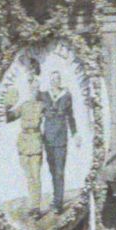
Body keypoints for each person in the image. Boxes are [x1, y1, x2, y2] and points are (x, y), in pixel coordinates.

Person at [4, 68, 48, 213]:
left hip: (35, 140)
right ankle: (33, 205)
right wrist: (8, 105)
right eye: (31, 88)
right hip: (24, 142)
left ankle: (36, 206)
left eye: (36, 88)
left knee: (36, 175)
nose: (33, 90)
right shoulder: (24, 105)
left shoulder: (42, 105)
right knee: (29, 176)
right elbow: (9, 118)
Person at [38, 68, 79, 211]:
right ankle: (56, 197)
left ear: (60, 80)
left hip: (61, 138)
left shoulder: (66, 95)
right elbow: (35, 110)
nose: (55, 81)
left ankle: (58, 203)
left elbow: (71, 116)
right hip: (48, 138)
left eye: (57, 79)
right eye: (52, 79)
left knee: (60, 171)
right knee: (52, 170)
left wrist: (75, 133)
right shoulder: (44, 95)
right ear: (50, 81)